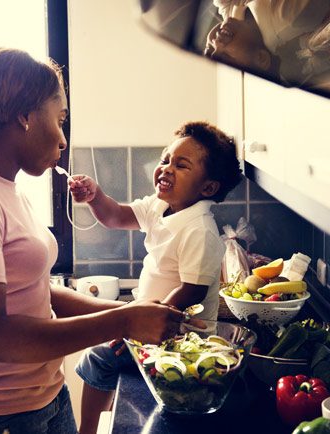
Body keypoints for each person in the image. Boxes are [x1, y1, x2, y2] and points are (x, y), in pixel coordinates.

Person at [0, 47, 187, 434]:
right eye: (59, 119)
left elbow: (36, 292)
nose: (62, 139)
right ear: (25, 116)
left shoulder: (6, 189)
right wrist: (123, 319)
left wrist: (122, 312)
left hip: (43, 397)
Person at [68, 121, 243, 434]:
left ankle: (86, 430)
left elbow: (192, 291)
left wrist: (140, 324)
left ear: (208, 188)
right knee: (102, 351)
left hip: (179, 336)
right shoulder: (161, 205)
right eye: (166, 159)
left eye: (181, 165)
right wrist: (96, 196)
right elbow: (115, 216)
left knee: (97, 357)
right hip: (149, 321)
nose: (166, 169)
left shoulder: (199, 229)